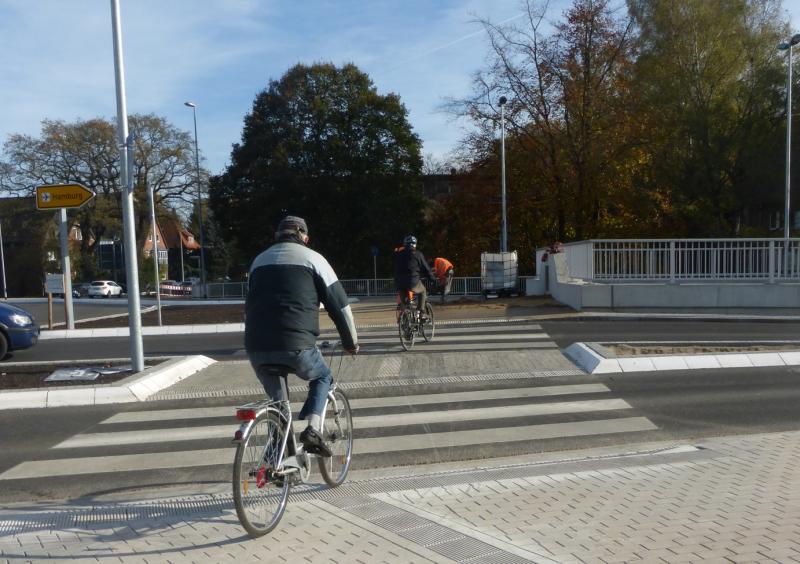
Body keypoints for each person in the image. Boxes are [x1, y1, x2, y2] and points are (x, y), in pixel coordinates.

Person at [245, 215, 358, 457]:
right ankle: (313, 429)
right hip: (297, 346)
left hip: (257, 348)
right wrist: (351, 343)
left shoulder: (258, 261)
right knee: (322, 376)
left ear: (278, 235)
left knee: (278, 403)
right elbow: (339, 306)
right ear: (304, 236)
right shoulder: (314, 259)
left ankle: (276, 454)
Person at [394, 234, 436, 320]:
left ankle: (404, 322)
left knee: (405, 304)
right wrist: (433, 280)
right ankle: (421, 312)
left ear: (405, 244)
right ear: (415, 244)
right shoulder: (418, 254)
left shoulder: (398, 254)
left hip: (399, 283)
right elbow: (426, 269)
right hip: (413, 282)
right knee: (423, 291)